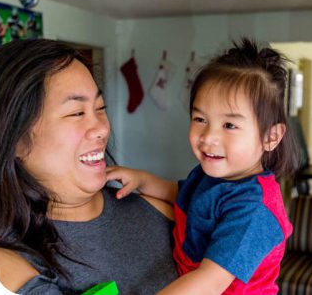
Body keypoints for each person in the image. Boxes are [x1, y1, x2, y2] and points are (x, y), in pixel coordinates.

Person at [106, 38, 300, 294]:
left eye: (229, 125)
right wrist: (141, 179)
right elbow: (183, 195)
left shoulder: (255, 211)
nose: (208, 137)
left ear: (270, 137)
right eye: (200, 119)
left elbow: (211, 281)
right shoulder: (211, 176)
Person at [0, 39, 178, 294]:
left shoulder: (160, 212)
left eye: (100, 108)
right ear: (14, 139)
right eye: (76, 113)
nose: (102, 128)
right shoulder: (7, 269)